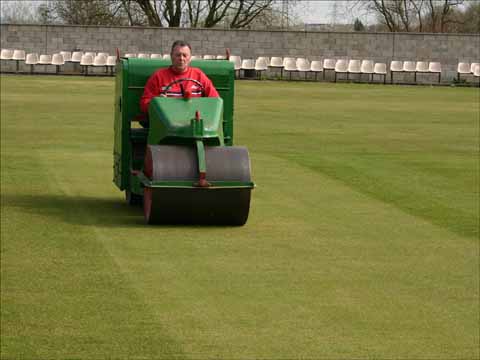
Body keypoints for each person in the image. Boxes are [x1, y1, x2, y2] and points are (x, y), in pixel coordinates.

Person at [140, 40, 219, 114]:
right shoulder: (158, 76)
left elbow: (215, 101)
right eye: (178, 55)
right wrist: (158, 103)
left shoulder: (199, 75)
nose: (181, 58)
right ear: (171, 56)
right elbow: (144, 105)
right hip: (167, 124)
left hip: (193, 122)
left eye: (185, 55)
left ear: (190, 58)